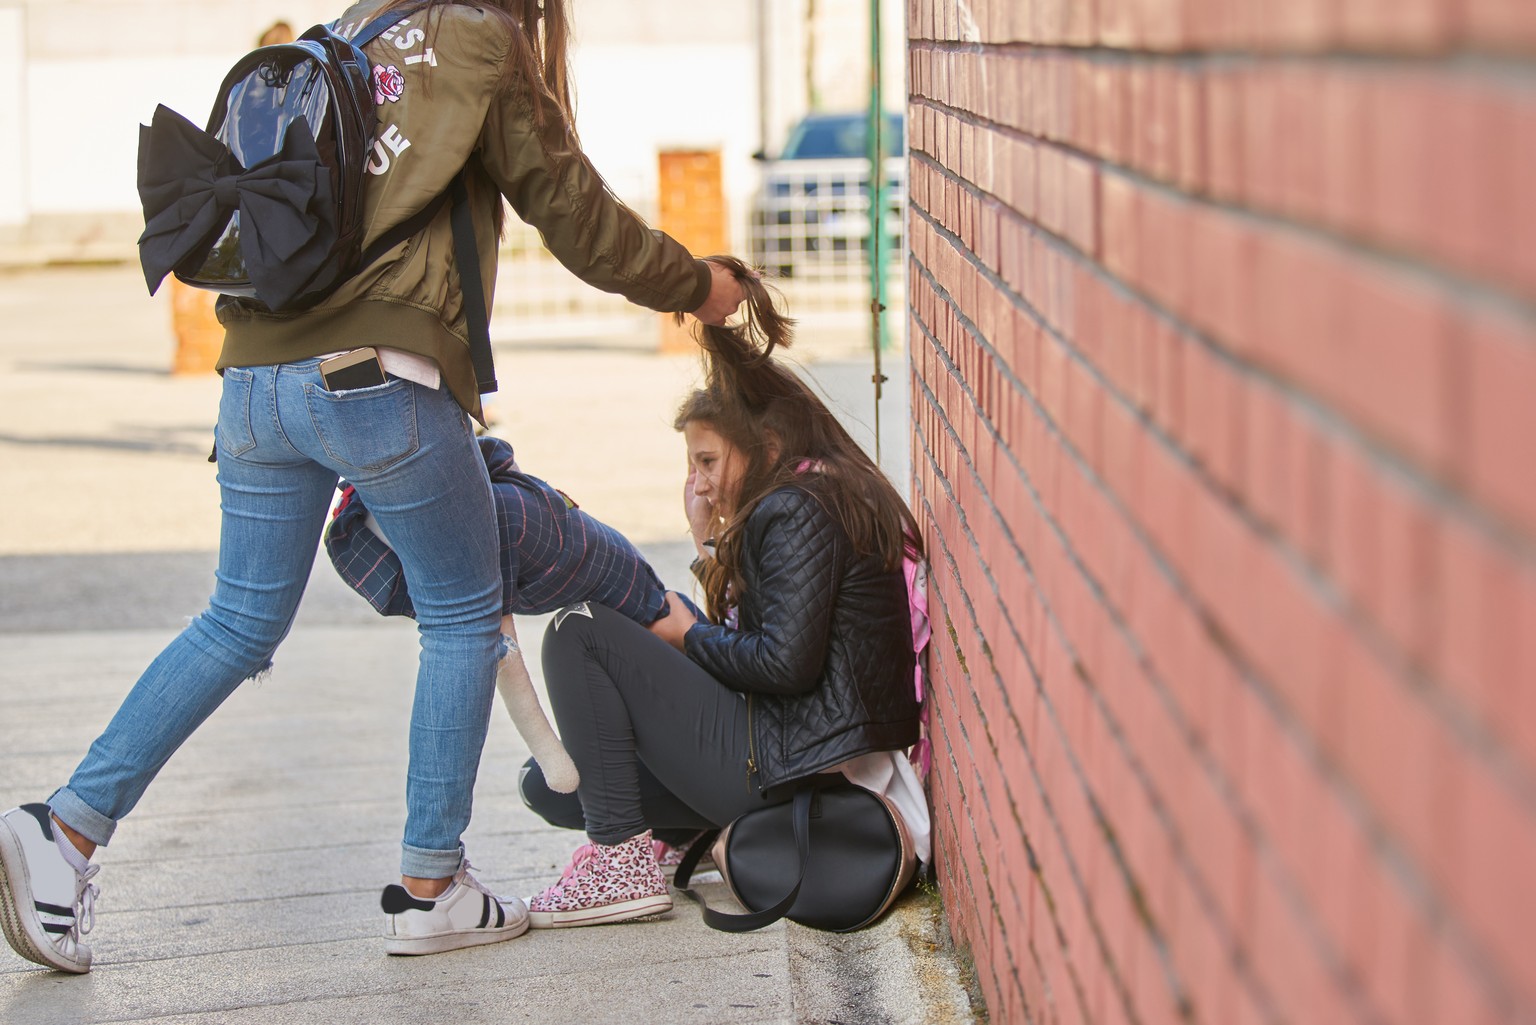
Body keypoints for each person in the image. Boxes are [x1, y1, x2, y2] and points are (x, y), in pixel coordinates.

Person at [0, 0, 746, 974]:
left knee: (235, 620)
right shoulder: (483, 42)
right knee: (465, 615)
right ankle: (433, 886)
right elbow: (578, 219)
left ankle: (62, 831)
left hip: (254, 376)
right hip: (374, 377)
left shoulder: (354, 27)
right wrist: (700, 285)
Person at [517, 258, 928, 928]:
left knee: (578, 628)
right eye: (690, 465)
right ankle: (660, 841)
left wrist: (685, 636)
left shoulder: (801, 506)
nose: (699, 481)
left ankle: (620, 865)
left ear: (764, 443)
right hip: (789, 749)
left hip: (796, 764)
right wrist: (707, 547)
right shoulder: (804, 495)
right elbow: (766, 637)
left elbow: (782, 664)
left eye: (708, 461)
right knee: (555, 782)